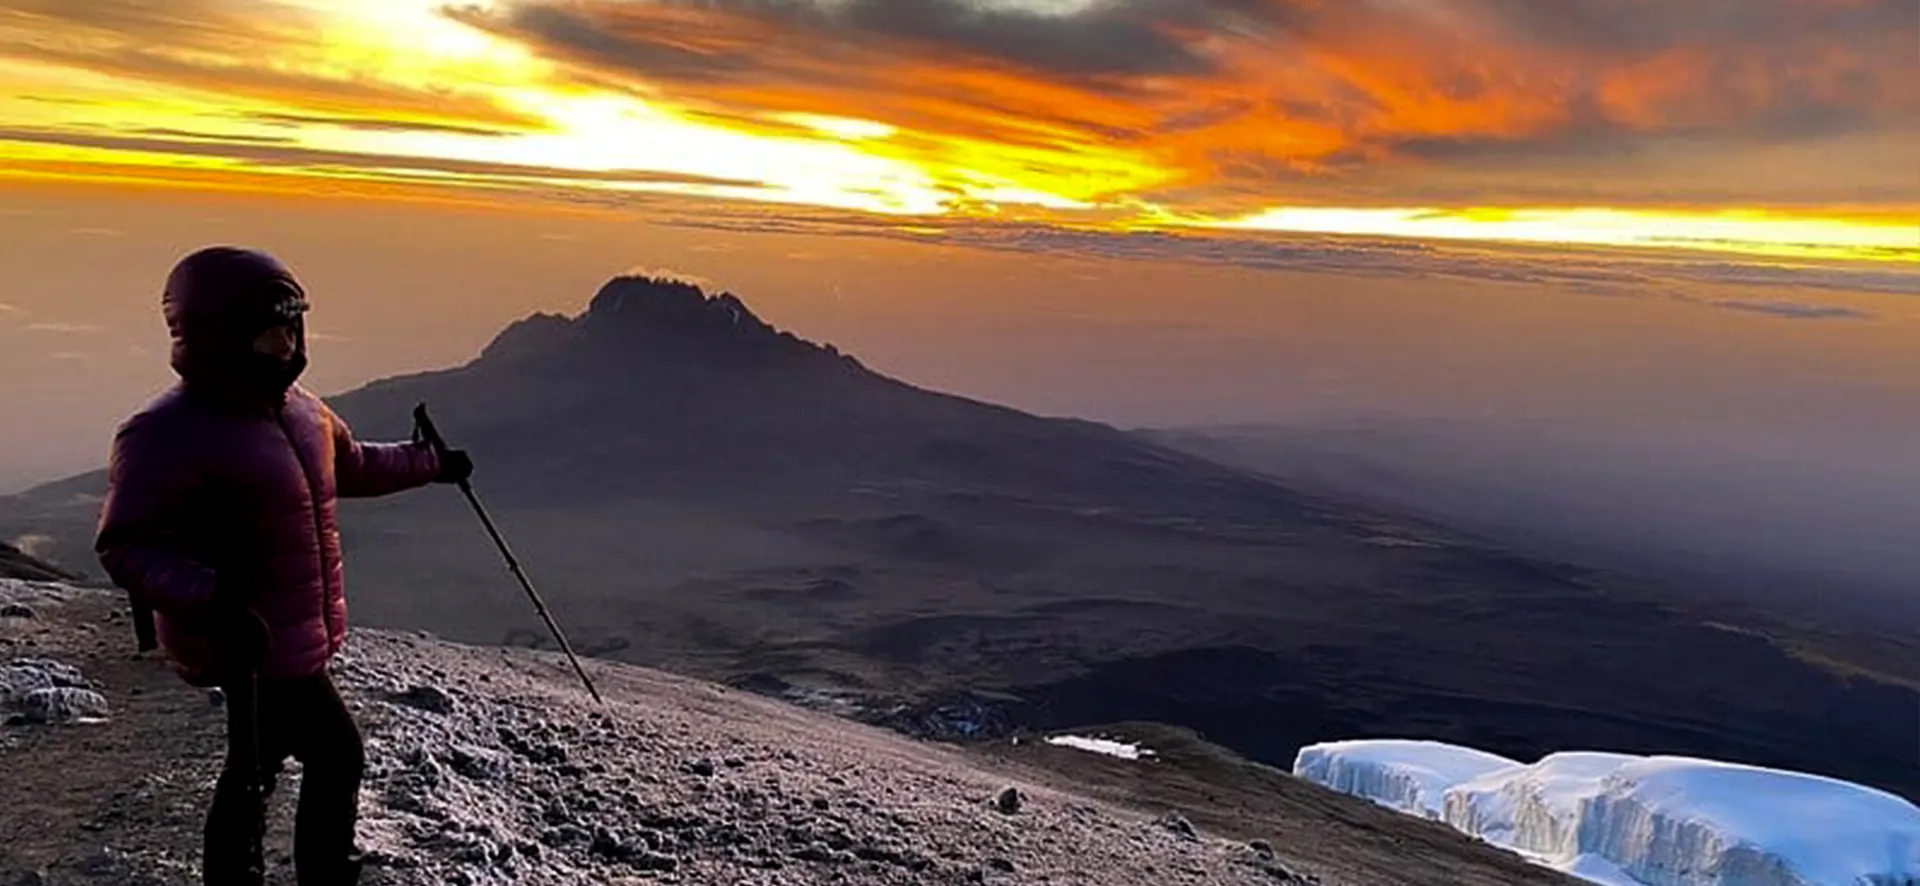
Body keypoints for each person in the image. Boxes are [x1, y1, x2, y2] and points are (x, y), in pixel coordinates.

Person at [94, 246, 473, 886]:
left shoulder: (301, 411)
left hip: (286, 632)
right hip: (245, 637)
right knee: (334, 753)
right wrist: (210, 596)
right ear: (217, 335)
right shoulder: (164, 433)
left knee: (256, 767)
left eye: (292, 328)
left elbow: (351, 465)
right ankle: (322, 874)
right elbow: (126, 545)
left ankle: (250, 876)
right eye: (269, 333)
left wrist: (430, 464)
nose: (287, 345)